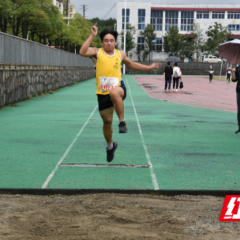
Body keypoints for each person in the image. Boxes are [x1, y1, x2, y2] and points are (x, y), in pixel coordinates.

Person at [79, 23, 161, 162]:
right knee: (107, 122)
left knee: (114, 93)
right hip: (102, 93)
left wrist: (149, 68)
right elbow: (82, 51)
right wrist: (92, 35)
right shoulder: (97, 52)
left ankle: (122, 122)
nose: (109, 43)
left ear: (115, 42)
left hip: (118, 88)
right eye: (106, 40)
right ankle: (110, 146)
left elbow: (132, 64)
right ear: (102, 42)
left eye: (111, 40)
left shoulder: (120, 54)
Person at [232, 66, 240, 134]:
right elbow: (234, 80)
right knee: (239, 109)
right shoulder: (237, 68)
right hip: (239, 90)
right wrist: (233, 73)